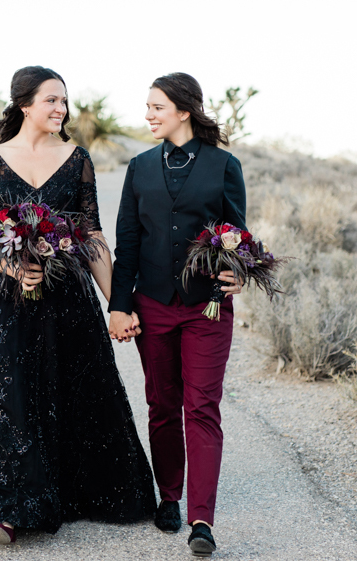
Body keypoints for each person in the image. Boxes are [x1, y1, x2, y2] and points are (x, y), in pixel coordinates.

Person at [0, 65, 156, 544]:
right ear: (24, 104)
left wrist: (118, 306)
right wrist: (9, 267)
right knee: (9, 396)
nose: (60, 109)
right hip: (8, 301)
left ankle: (65, 491)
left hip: (68, 299)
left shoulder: (77, 159)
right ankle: (3, 508)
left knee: (72, 390)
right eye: (51, 100)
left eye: (64, 101)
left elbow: (92, 238)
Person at [107, 72, 247, 557]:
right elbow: (127, 241)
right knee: (162, 405)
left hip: (207, 308)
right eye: (147, 107)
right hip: (153, 306)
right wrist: (119, 304)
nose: (148, 115)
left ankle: (202, 519)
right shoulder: (139, 167)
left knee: (202, 408)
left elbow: (236, 234)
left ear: (184, 110)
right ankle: (169, 496)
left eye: (156, 107)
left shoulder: (224, 166)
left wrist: (239, 271)